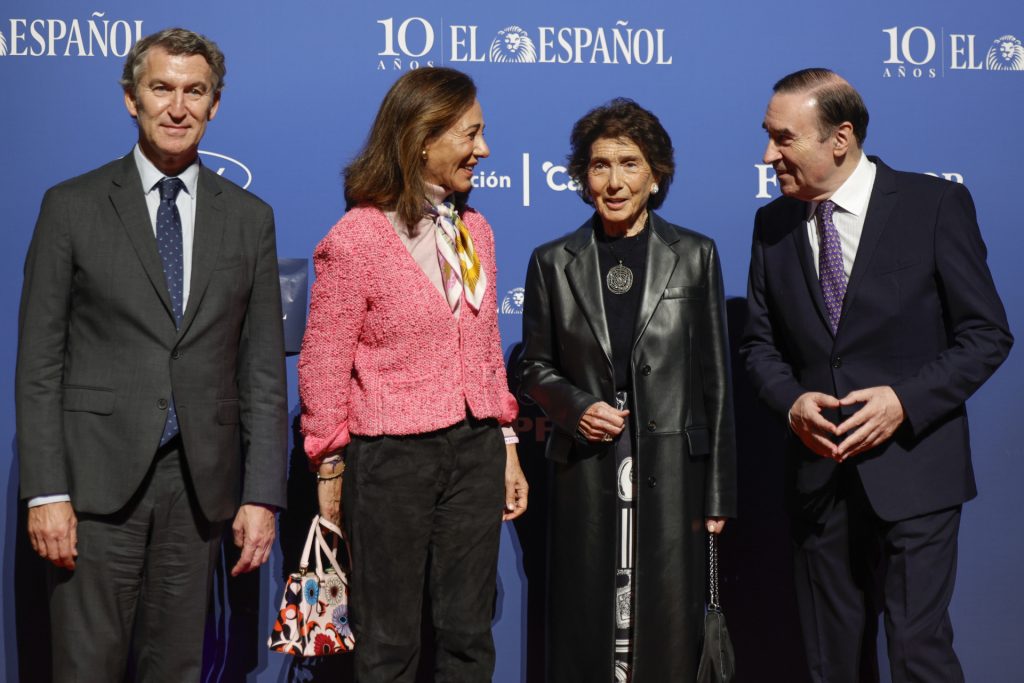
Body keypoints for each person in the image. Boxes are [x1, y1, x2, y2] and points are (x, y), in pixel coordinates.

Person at [15, 27, 288, 680]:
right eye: (161, 87)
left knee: (177, 669)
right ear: (130, 98)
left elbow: (261, 371)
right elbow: (39, 364)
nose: (178, 106)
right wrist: (45, 491)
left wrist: (261, 495)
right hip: (92, 487)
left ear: (214, 104)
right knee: (86, 668)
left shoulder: (249, 218)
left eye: (195, 91)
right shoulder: (71, 206)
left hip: (198, 491)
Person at [742, 68, 1013, 682]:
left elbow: (986, 335)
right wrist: (790, 403)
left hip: (917, 471)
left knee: (919, 656)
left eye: (784, 138)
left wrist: (903, 400)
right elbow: (759, 345)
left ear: (840, 139)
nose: (768, 155)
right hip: (818, 478)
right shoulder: (772, 226)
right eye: (768, 136)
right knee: (830, 664)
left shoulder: (933, 205)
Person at [297, 66, 528, 682]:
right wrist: (330, 461)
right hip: (392, 458)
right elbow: (323, 362)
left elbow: (484, 347)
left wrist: (506, 443)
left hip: (474, 450)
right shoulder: (358, 238)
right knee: (390, 643)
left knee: (468, 636)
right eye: (471, 134)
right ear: (423, 138)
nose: (484, 150)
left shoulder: (475, 229)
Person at [518, 98, 737, 683]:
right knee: (587, 626)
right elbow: (534, 367)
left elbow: (715, 381)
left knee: (665, 632)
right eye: (599, 165)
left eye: (629, 163)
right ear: (582, 176)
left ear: (656, 173)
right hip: (586, 467)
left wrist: (717, 492)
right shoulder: (551, 262)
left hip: (673, 474)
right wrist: (576, 408)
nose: (613, 182)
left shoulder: (695, 255)